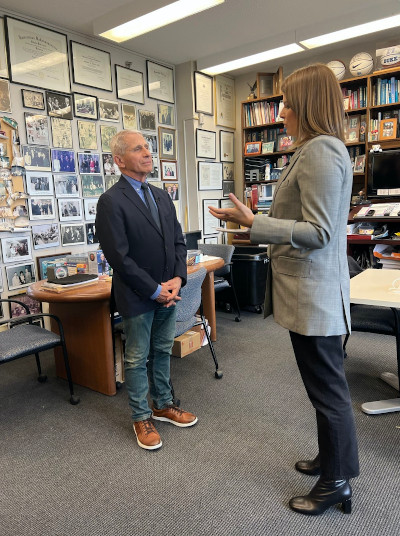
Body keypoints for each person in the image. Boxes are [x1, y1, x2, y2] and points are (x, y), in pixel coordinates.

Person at [209, 64, 359, 516]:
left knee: (329, 391)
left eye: (289, 104)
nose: (283, 112)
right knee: (320, 388)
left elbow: (320, 232)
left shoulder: (322, 152)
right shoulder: (311, 150)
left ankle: (337, 482)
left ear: (308, 106)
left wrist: (255, 224)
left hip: (315, 297)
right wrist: (255, 221)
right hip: (306, 292)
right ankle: (330, 461)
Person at [96, 129, 197, 451]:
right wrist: (154, 290)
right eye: (138, 149)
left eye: (148, 148)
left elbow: (179, 242)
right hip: (138, 295)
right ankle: (141, 416)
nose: (147, 153)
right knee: (137, 358)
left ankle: (163, 404)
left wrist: (178, 279)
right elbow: (118, 258)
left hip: (170, 291)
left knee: (162, 350)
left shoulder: (162, 195)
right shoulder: (111, 201)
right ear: (119, 160)